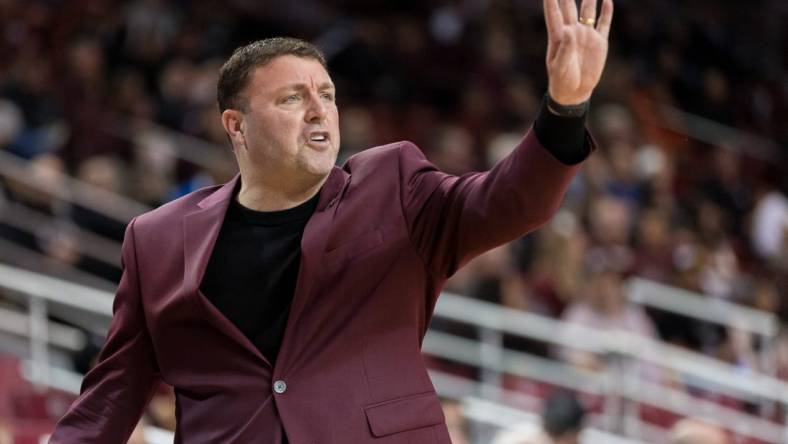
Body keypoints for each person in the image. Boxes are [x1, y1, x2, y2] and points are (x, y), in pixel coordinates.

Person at [50, 0, 613, 442]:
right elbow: (108, 402)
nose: (320, 109)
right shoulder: (156, 240)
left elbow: (511, 201)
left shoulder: (393, 184)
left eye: (327, 94)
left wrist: (564, 108)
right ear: (236, 126)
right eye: (293, 98)